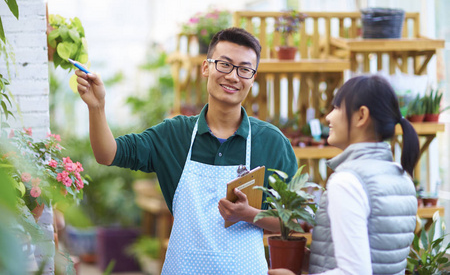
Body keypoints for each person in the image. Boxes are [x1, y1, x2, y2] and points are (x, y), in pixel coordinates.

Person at [75, 27, 298, 274]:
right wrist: (97, 107)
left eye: (244, 69)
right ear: (206, 67)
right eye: (224, 64)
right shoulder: (174, 134)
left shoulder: (271, 142)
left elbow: (294, 222)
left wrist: (249, 214)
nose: (234, 76)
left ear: (252, 77)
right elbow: (108, 154)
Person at [268, 75, 420, 275]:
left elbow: (355, 272)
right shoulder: (401, 177)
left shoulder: (348, 181)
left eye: (337, 108)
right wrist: (309, 261)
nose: (328, 117)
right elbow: (377, 260)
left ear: (361, 116)